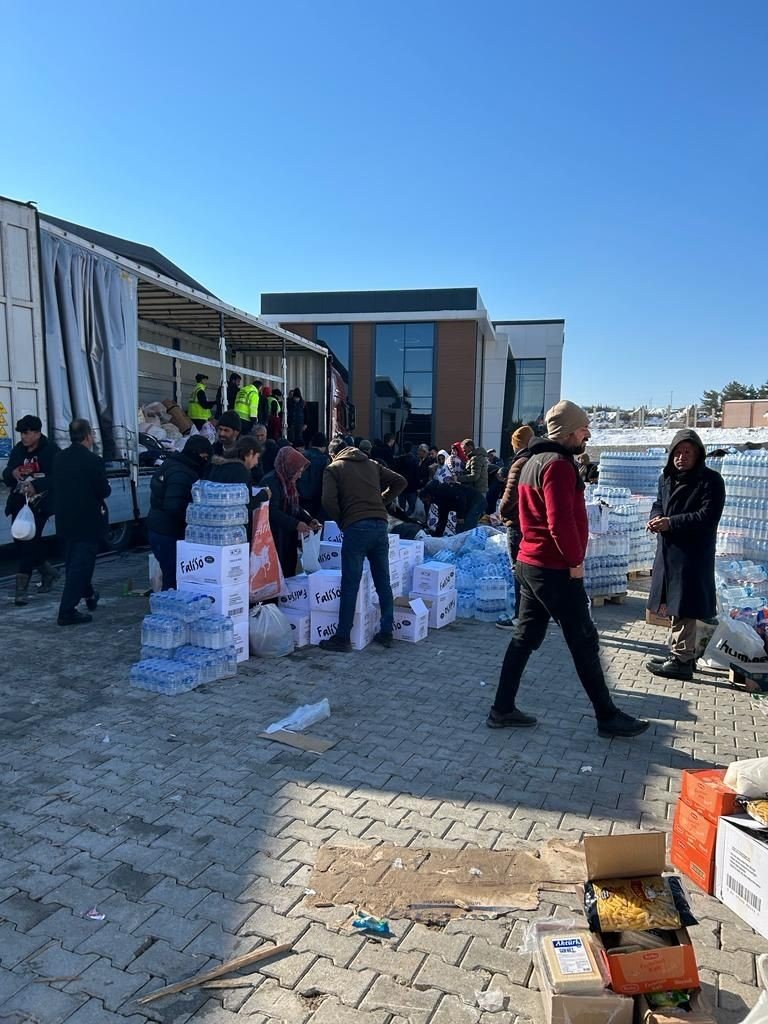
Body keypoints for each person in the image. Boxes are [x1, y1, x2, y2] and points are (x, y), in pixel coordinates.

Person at [488, 400, 649, 739]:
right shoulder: (558, 465)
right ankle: (607, 716)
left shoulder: (531, 461)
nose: (587, 434)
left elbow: (520, 512)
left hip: (531, 562)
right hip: (554, 567)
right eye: (583, 429)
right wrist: (575, 562)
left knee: (525, 637)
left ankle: (502, 708)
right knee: (584, 641)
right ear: (568, 432)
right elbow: (559, 522)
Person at [646, 429, 726, 681]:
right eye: (677, 452)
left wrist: (672, 523)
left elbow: (707, 516)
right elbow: (658, 503)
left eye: (687, 452)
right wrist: (656, 518)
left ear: (698, 454)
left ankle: (681, 660)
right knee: (673, 604)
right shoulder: (666, 478)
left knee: (685, 605)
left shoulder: (710, 480)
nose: (681, 457)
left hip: (692, 553)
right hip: (668, 550)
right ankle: (680, 654)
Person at [318, 439, 406, 652]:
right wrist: (381, 501)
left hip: (356, 527)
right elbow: (400, 481)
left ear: (332, 455)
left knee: (350, 583)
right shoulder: (371, 464)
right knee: (383, 581)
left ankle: (342, 637)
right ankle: (386, 632)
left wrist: (343, 521)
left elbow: (327, 500)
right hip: (380, 525)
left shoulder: (334, 468)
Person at [52, 419, 111, 626]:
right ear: (88, 436)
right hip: (87, 521)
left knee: (74, 563)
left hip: (65, 520)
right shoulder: (93, 460)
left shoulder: (59, 458)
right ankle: (67, 611)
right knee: (80, 566)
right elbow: (103, 490)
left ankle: (89, 594)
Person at [3, 414, 60, 605]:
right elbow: (7, 472)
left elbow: (57, 477)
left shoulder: (51, 450)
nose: (23, 437)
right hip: (19, 503)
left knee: (28, 542)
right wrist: (12, 472)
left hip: (39, 504)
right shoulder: (19, 449)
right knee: (20, 539)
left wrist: (37, 485)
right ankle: (48, 572)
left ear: (37, 433)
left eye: (27, 433)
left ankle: (21, 590)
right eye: (22, 434)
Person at [147, 436, 213, 590]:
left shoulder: (173, 464)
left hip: (159, 528)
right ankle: (168, 603)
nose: (206, 461)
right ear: (198, 454)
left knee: (171, 574)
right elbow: (174, 506)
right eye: (205, 457)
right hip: (168, 532)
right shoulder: (181, 473)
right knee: (173, 578)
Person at [495, 425, 534, 629]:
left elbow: (510, 497)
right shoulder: (538, 460)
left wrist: (502, 513)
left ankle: (520, 616)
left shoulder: (520, 463)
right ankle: (537, 614)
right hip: (533, 524)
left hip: (518, 523)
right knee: (533, 570)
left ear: (516, 444)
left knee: (519, 570)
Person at [261, 446, 320, 577]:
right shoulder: (271, 482)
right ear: (290, 468)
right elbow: (272, 511)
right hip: (275, 538)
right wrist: (295, 524)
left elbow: (294, 507)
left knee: (289, 573)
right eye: (298, 471)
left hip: (287, 537)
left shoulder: (289, 482)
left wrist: (308, 520)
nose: (300, 476)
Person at [209, 436, 269, 541]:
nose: (256, 463)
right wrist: (264, 495)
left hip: (213, 524)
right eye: (257, 457)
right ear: (250, 453)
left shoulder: (218, 467)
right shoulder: (241, 471)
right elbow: (245, 503)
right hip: (232, 530)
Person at [420, 480, 486, 536]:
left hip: (477, 501)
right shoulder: (438, 500)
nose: (427, 503)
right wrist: (437, 535)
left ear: (429, 495)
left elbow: (461, 498)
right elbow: (442, 519)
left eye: (426, 501)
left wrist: (460, 516)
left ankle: (471, 544)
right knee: (459, 529)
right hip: (468, 506)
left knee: (467, 528)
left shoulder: (443, 490)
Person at [298, 432, 330, 519]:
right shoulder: (325, 460)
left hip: (301, 497)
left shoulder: (301, 455)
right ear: (324, 446)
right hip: (317, 499)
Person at [395, 442, 420, 516]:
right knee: (412, 507)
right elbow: (417, 474)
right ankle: (406, 517)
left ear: (403, 449)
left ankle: (403, 517)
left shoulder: (399, 460)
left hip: (402, 487)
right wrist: (417, 486)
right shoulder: (415, 460)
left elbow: (396, 472)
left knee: (401, 508)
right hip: (411, 488)